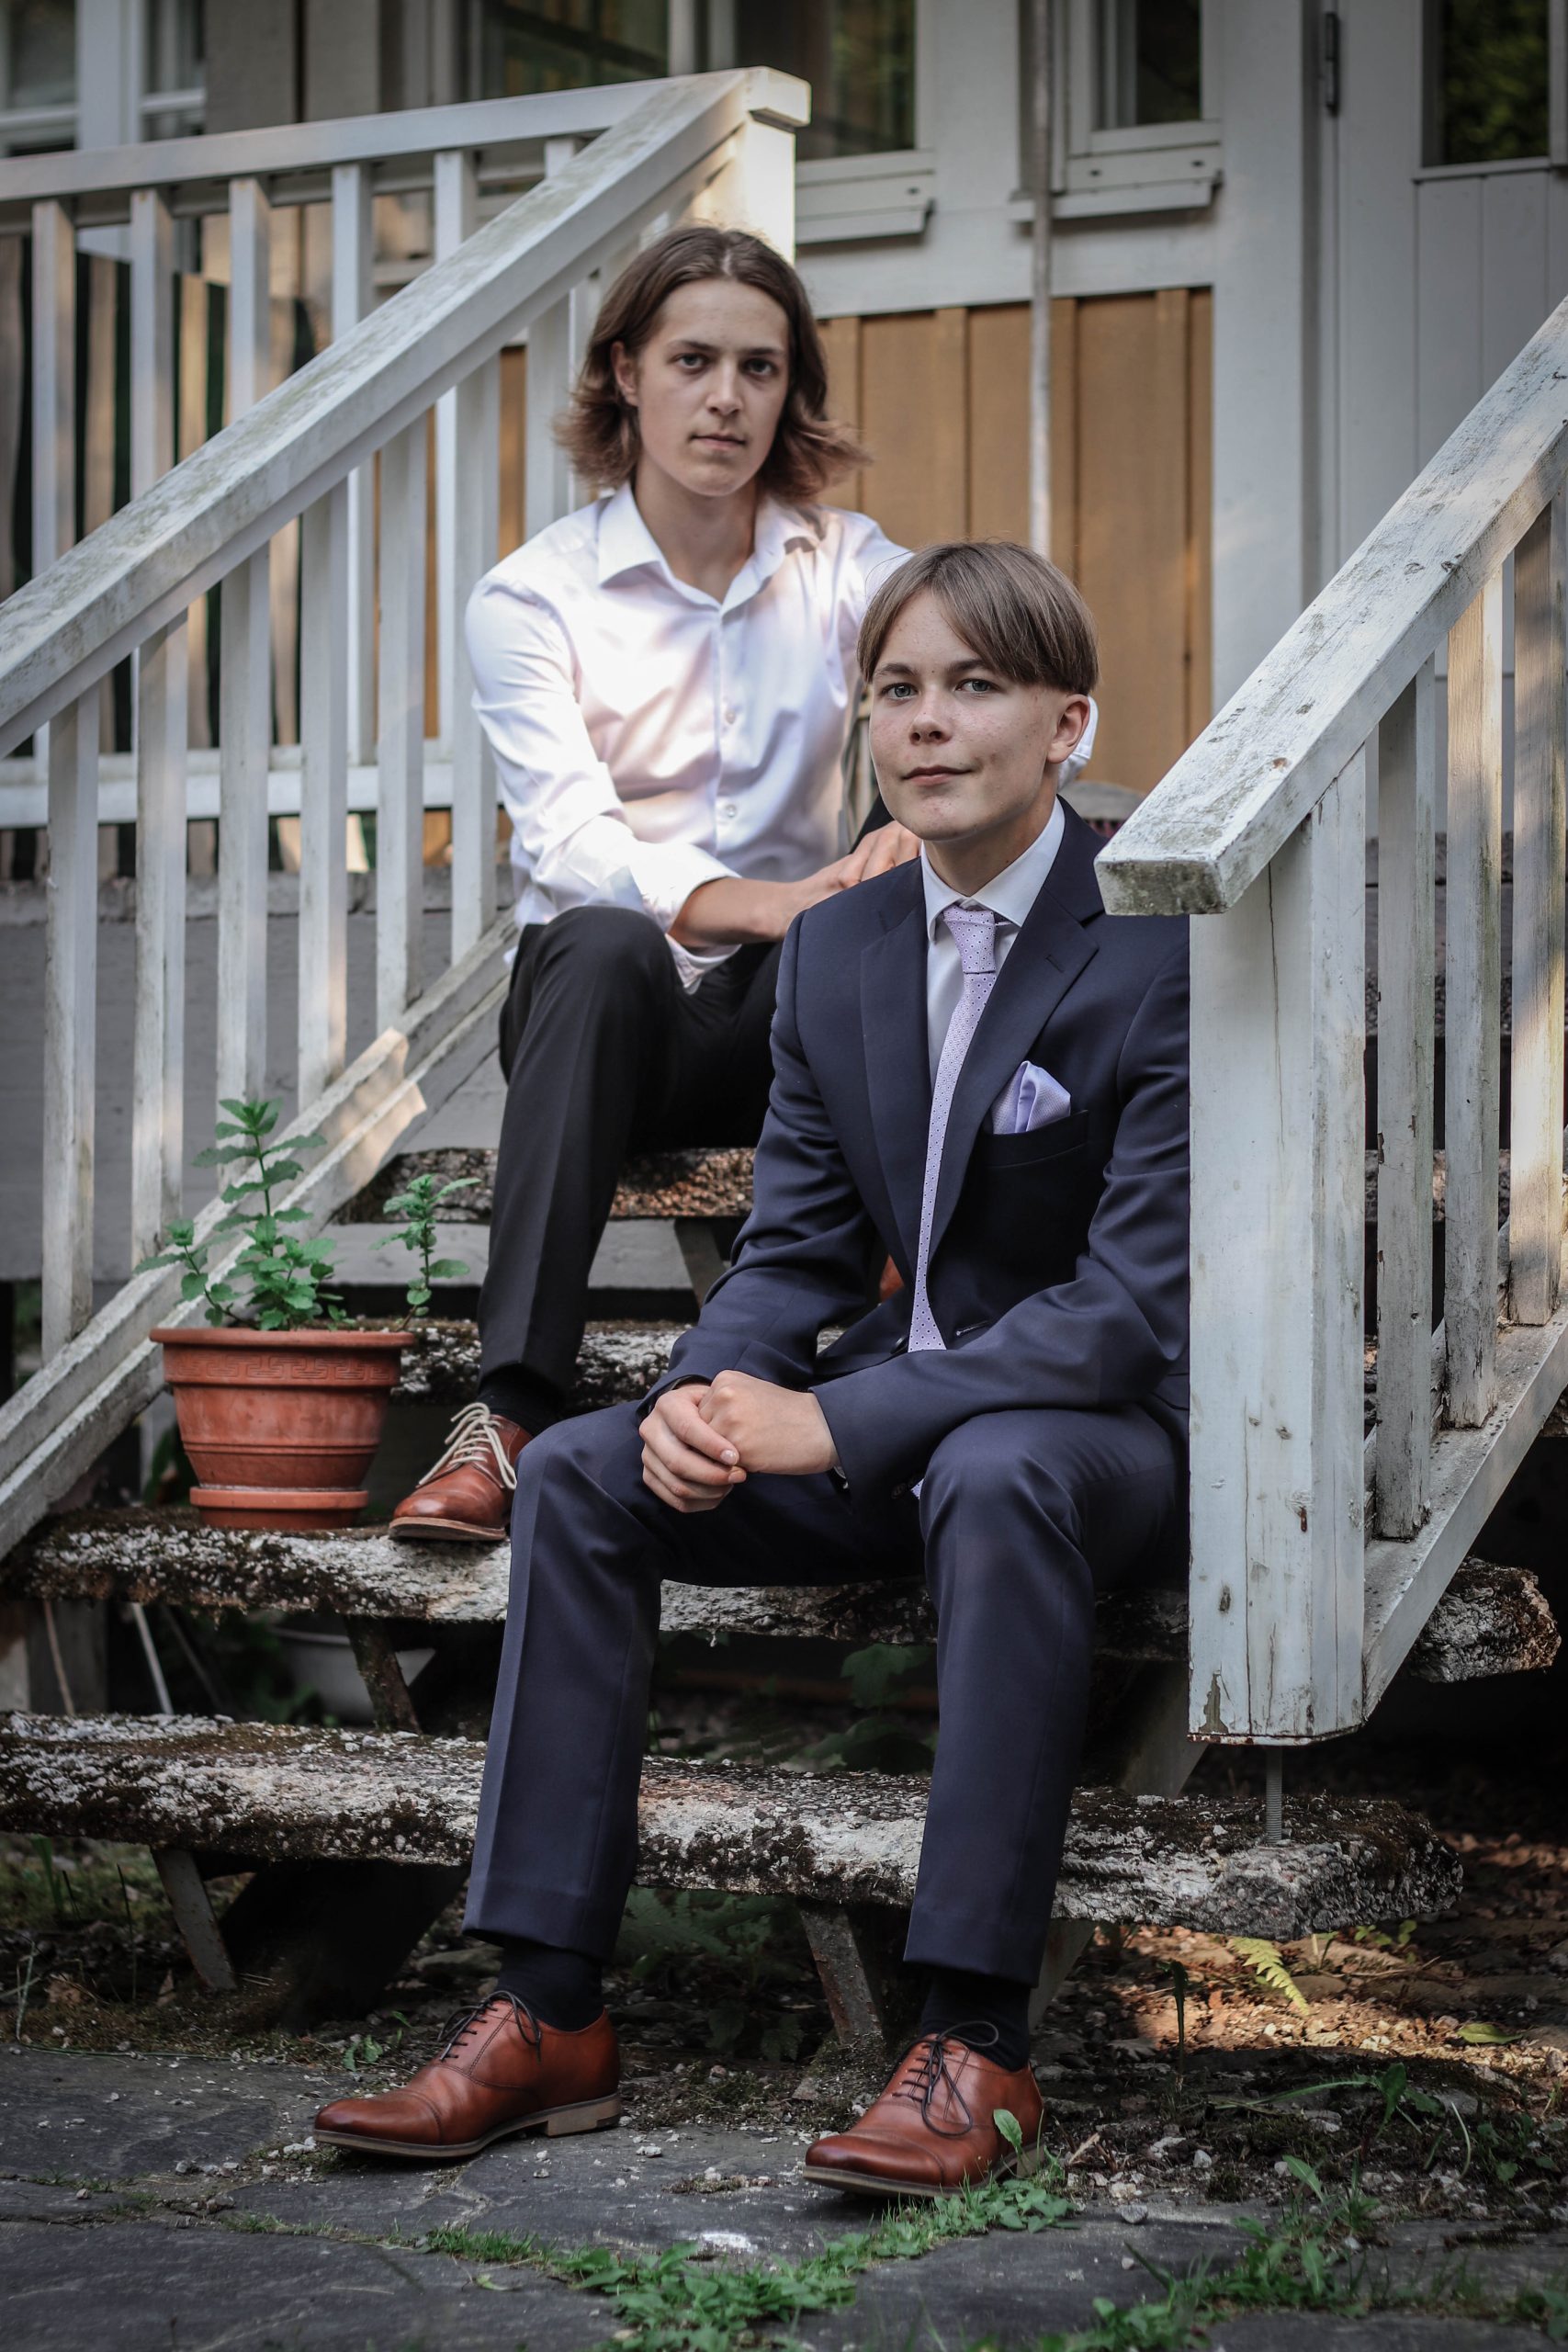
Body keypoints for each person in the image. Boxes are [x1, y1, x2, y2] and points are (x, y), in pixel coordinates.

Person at [318, 539, 1188, 2194]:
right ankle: (546, 2006)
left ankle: (974, 2038)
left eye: (975, 686)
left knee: (998, 1467)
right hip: (878, 1434)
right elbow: (791, 1251)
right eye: (896, 689)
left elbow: (1125, 1313)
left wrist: (835, 1418)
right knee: (585, 1472)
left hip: (1094, 1438)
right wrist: (702, 1400)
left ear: (1068, 724)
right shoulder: (840, 950)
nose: (926, 723)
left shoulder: (1158, 942)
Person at [391, 223, 1097, 1542]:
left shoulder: (845, 564)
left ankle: (908, 1329)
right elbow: (569, 840)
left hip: (794, 1007)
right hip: (613, 1022)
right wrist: (784, 901)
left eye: (759, 369)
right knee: (600, 937)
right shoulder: (533, 597)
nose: (727, 398)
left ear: (790, 390)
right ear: (625, 373)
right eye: (693, 361)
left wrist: (901, 840)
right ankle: (509, 1412)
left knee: (915, 842)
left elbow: (957, 680)